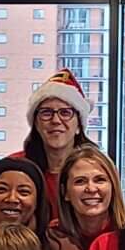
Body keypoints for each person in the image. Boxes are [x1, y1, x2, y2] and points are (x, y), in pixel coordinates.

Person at [49, 143, 125, 250]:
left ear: (113, 187)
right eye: (80, 181)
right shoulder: (52, 237)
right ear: (65, 192)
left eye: (100, 180)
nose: (91, 189)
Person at [21, 69, 91, 200]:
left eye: (65, 113)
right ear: (35, 123)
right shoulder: (16, 167)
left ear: (79, 126)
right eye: (46, 113)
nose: (56, 120)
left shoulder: (97, 170)